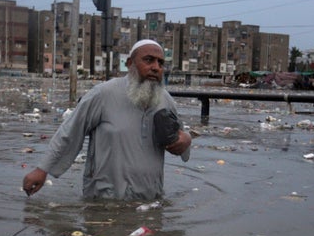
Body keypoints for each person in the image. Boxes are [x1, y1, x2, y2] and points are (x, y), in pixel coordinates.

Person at [22, 39, 192, 200]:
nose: (156, 67)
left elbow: (179, 140)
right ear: (130, 64)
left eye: (160, 63)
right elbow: (70, 132)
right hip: (104, 201)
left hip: (150, 200)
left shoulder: (165, 100)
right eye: (148, 60)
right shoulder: (103, 94)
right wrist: (42, 169)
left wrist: (186, 140)